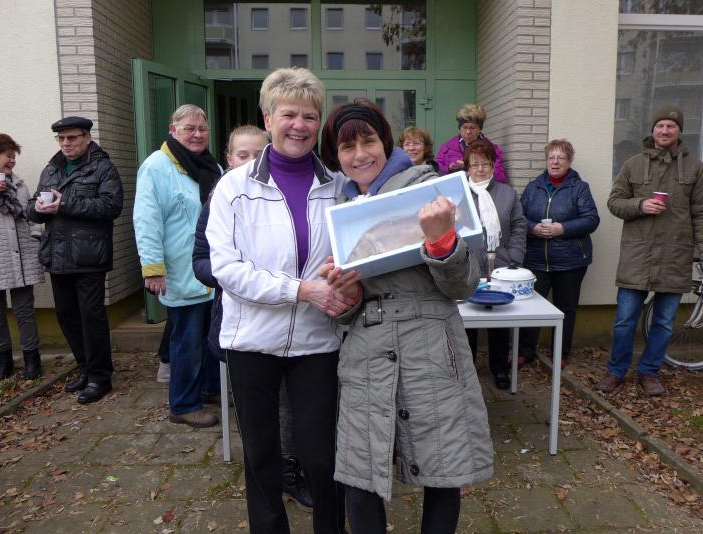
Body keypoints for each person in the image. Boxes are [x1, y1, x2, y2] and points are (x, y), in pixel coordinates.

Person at [319, 99, 493, 534]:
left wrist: (442, 243)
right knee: (360, 474)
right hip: (366, 353)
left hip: (430, 348)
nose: (360, 154)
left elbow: (464, 285)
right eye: (347, 147)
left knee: (443, 468)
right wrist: (347, 294)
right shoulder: (340, 206)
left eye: (368, 141)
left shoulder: (432, 191)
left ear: (386, 142)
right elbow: (347, 312)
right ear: (336, 156)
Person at [206, 67, 353, 534]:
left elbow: (353, 257)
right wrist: (301, 290)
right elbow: (226, 270)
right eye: (289, 114)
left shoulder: (339, 187)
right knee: (262, 453)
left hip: (317, 341)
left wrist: (346, 284)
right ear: (268, 119)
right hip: (251, 341)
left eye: (309, 116)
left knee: (321, 455)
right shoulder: (234, 187)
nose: (299, 125)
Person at [193, 124, 313, 509]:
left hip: (301, 323)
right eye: (242, 154)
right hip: (245, 319)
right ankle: (272, 473)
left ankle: (291, 467)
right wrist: (238, 277)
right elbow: (201, 260)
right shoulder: (220, 198)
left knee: (293, 405)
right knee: (263, 412)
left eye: (257, 154)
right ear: (229, 159)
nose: (250, 160)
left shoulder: (294, 193)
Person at [600, 105, 703, 397]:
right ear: (653, 129)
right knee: (625, 320)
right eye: (660, 126)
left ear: (679, 131)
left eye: (670, 126)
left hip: (674, 256)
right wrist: (640, 205)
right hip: (637, 256)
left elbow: (702, 214)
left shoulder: (695, 168)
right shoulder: (633, 164)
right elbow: (614, 202)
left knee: (664, 323)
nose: (664, 131)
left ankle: (649, 372)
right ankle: (616, 371)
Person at [134, 104, 222, 428]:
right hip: (180, 270)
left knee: (211, 337)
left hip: (210, 268)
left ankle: (211, 389)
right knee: (187, 342)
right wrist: (153, 268)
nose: (197, 134)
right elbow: (146, 220)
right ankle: (184, 405)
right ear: (173, 131)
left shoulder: (213, 165)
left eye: (202, 128)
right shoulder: (156, 166)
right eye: (189, 128)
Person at [27, 116, 123, 403]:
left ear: (87, 138)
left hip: (89, 255)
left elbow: (111, 206)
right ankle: (85, 368)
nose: (66, 143)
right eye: (61, 139)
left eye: (72, 138)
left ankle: (100, 377)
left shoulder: (102, 167)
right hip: (57, 255)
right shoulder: (51, 168)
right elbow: (31, 209)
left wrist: (65, 204)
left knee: (91, 317)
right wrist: (38, 208)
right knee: (67, 316)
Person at [518, 139, 600, 369]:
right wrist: (532, 228)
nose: (555, 162)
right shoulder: (533, 187)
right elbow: (518, 218)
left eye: (560, 157)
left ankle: (560, 353)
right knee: (530, 307)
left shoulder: (579, 188)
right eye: (551, 157)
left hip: (570, 261)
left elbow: (591, 219)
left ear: (569, 161)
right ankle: (526, 351)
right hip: (535, 259)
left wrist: (561, 229)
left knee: (566, 309)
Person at [0, 132, 44, 380]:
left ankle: (32, 360)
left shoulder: (18, 183)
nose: (13, 161)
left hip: (23, 257)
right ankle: (3, 360)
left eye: (14, 156)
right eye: (8, 156)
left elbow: (30, 214)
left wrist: (35, 236)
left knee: (25, 310)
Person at [462, 140, 526, 389]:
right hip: (469, 265)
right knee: (467, 322)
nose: (480, 169)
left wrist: (514, 257)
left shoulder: (507, 193)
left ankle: (500, 368)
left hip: (501, 266)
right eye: (474, 164)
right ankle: (468, 372)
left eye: (485, 163)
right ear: (467, 167)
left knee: (500, 320)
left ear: (493, 165)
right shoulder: (459, 193)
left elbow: (519, 225)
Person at [435, 103, 507, 182]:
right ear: (459, 128)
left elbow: (501, 178)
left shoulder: (492, 149)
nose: (468, 132)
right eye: (465, 127)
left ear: (480, 129)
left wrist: (471, 167)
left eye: (472, 128)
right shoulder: (446, 148)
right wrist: (449, 168)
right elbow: (437, 173)